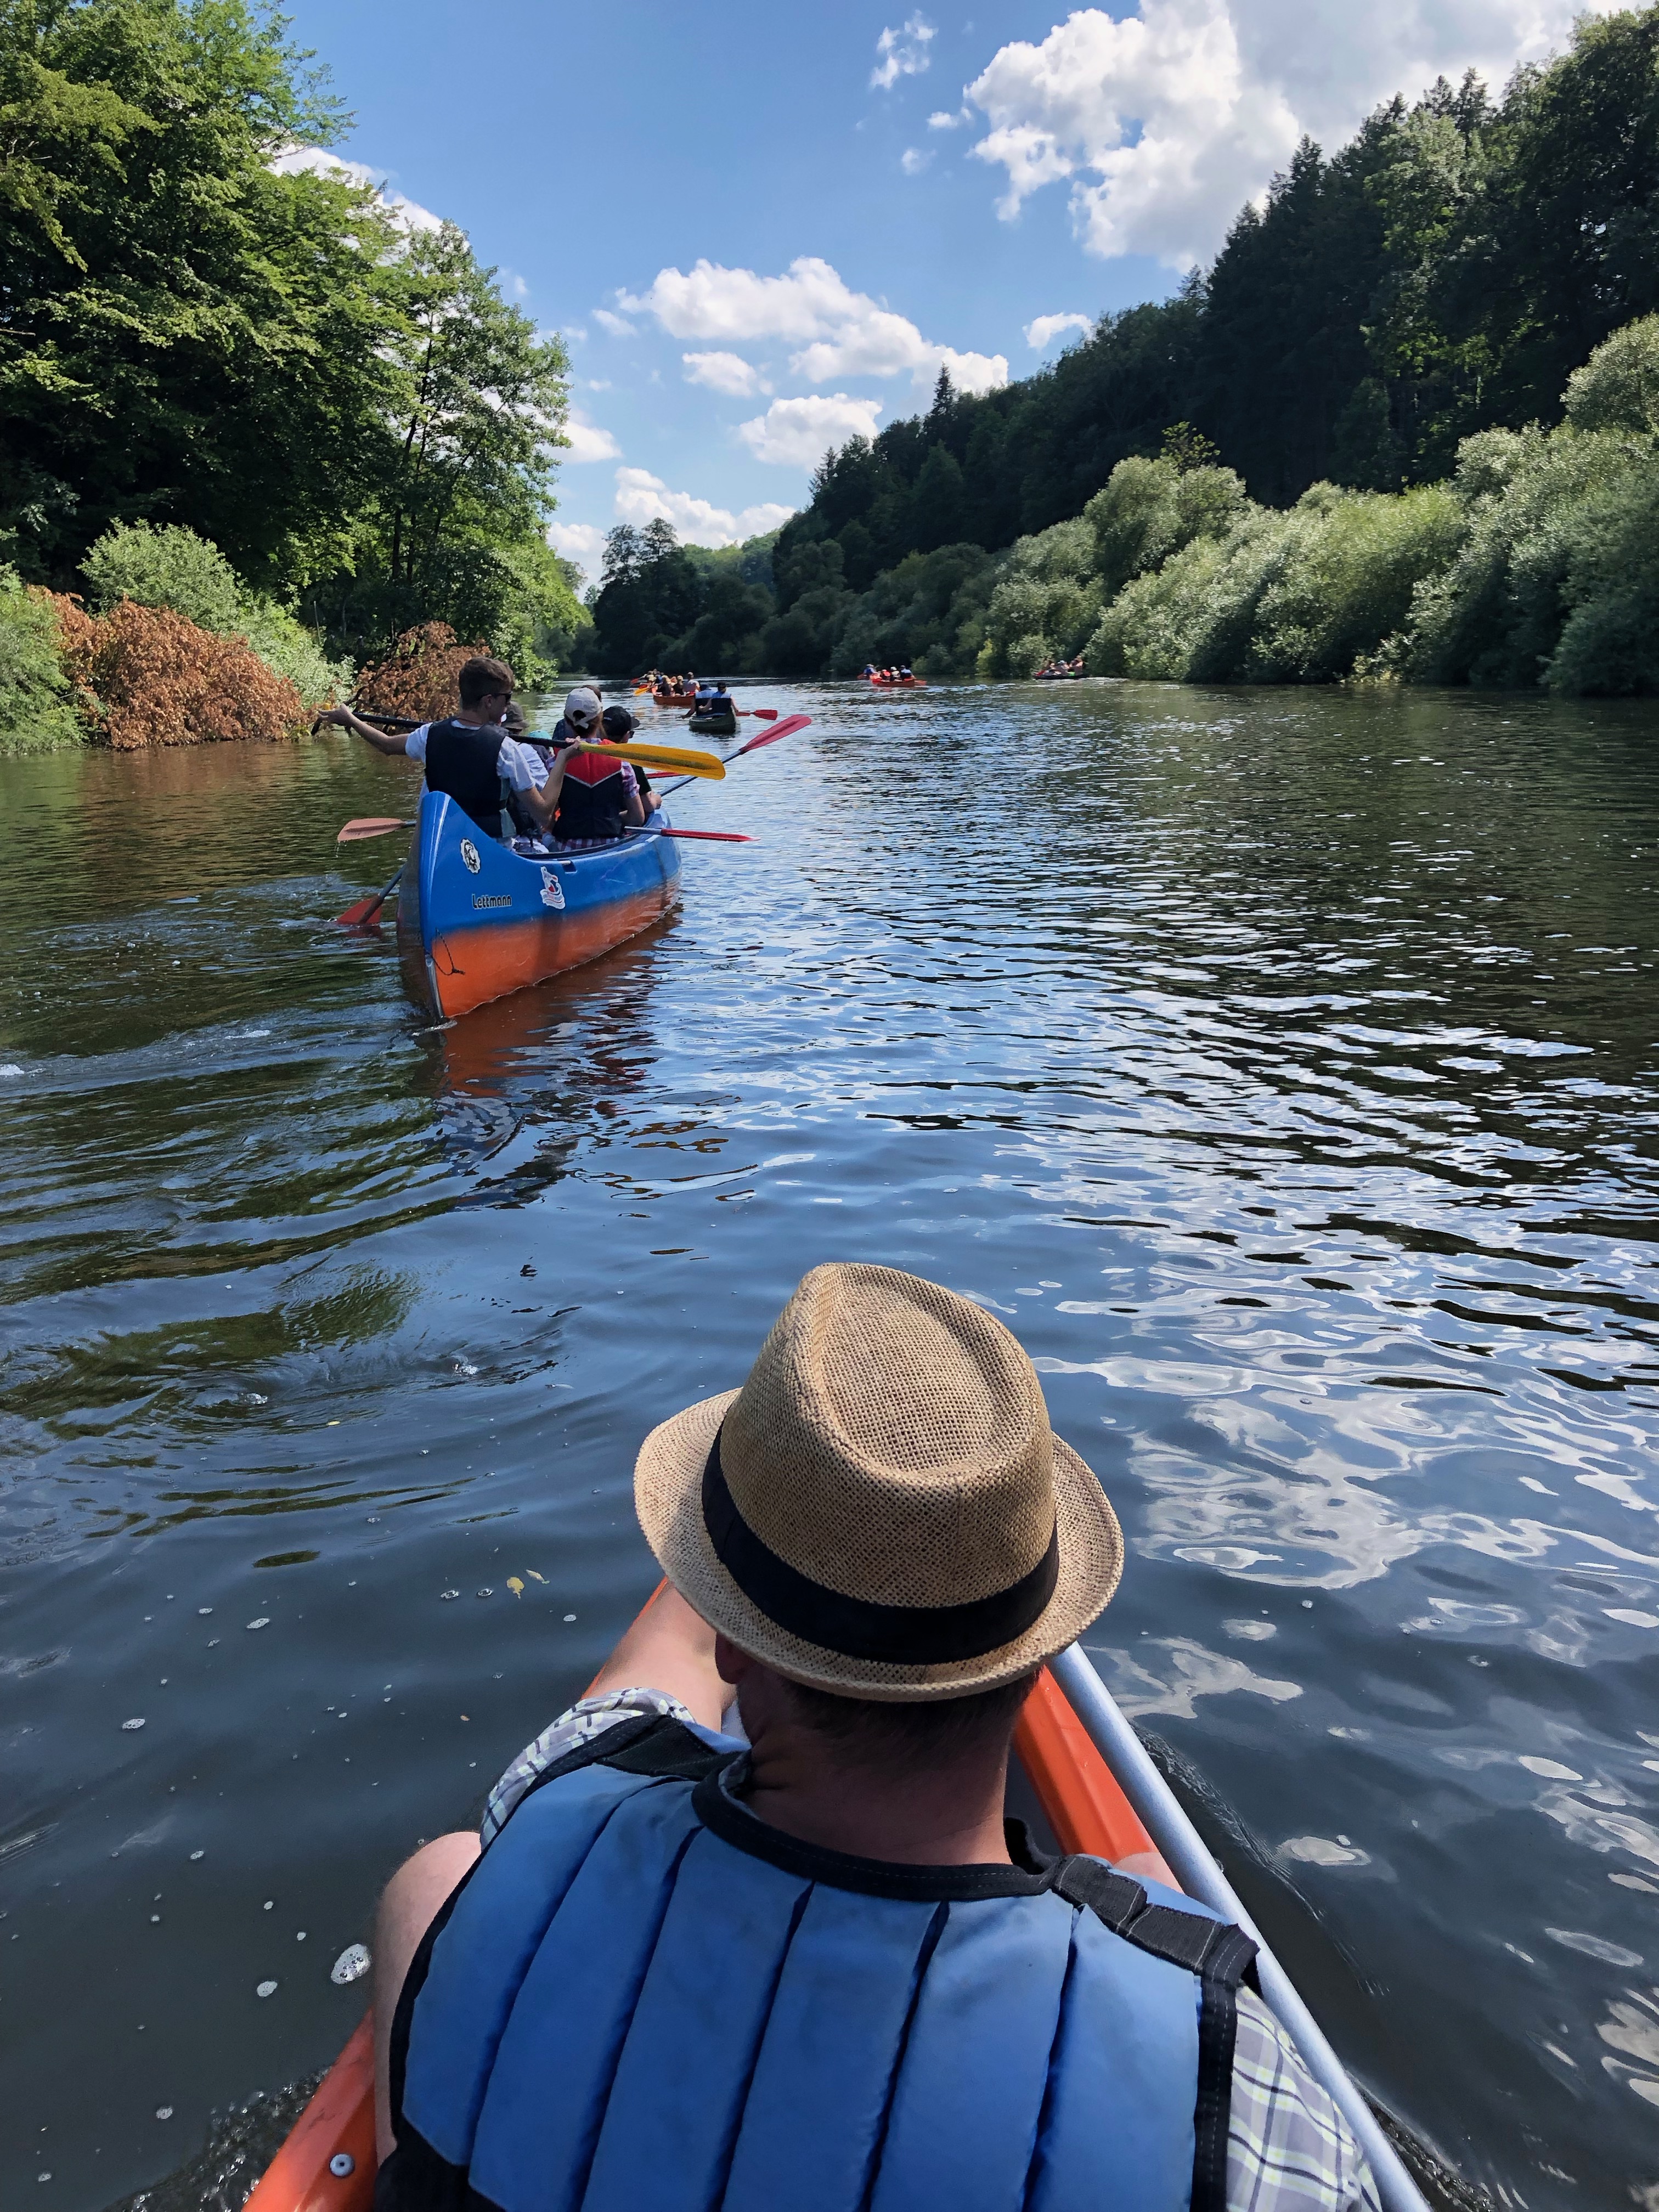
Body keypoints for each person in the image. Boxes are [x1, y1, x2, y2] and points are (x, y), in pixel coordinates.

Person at [371, 1263, 1379, 2212]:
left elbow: (653, 1669)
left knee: (436, 1878)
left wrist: (784, 1500)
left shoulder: (563, 1795)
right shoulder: (1227, 2074)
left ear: (733, 1641)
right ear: (1035, 1661)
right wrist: (1131, 1913)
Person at [317, 657, 558, 840]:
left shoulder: (428, 734)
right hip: (492, 850)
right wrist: (564, 761)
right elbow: (543, 815)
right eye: (507, 698)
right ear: (488, 701)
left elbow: (386, 746)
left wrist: (352, 720)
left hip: (444, 845)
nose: (508, 705)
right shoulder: (506, 748)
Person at [535, 684, 646, 847]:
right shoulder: (622, 761)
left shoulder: (555, 763)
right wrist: (611, 818)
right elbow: (637, 818)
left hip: (568, 847)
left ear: (567, 721)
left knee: (544, 838)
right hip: (612, 845)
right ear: (600, 717)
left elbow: (547, 819)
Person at [600, 700, 657, 817]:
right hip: (619, 821)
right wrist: (656, 799)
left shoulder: (582, 755)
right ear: (626, 736)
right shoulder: (632, 763)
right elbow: (648, 806)